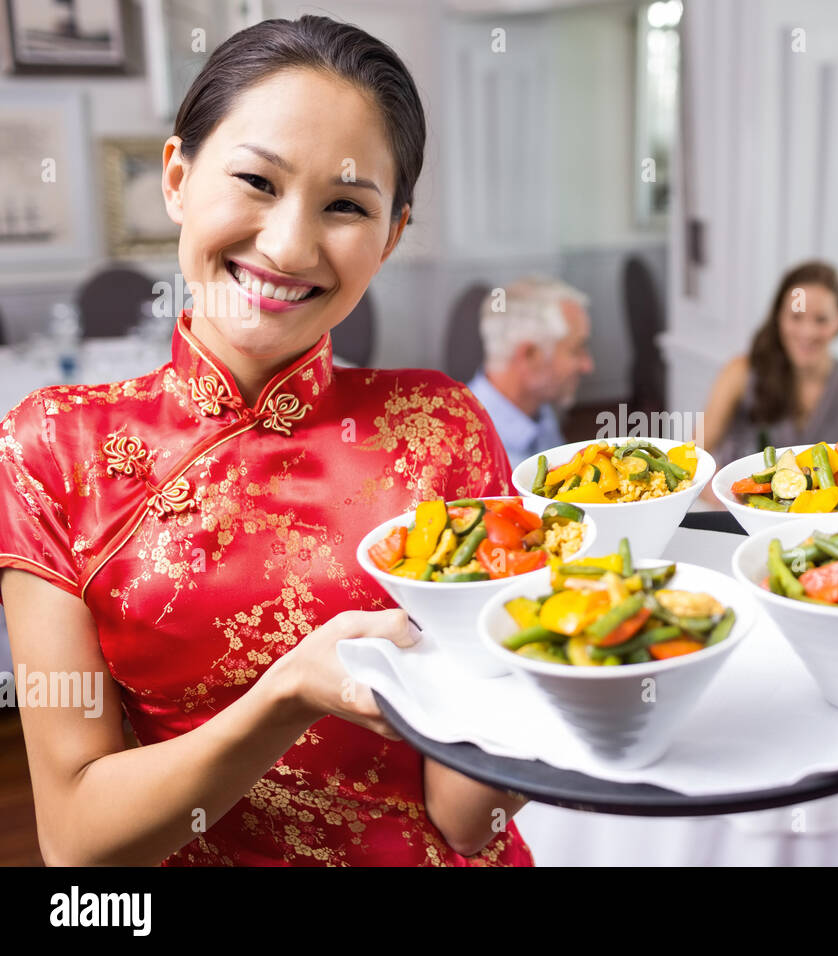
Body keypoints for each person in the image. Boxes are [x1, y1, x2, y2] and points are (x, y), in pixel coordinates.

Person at [0, 16, 533, 866]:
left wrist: (542, 670)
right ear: (177, 177)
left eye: (347, 206)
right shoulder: (51, 450)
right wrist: (288, 693)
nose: (288, 245)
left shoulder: (443, 429)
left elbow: (469, 819)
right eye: (257, 181)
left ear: (391, 235)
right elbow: (76, 843)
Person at [699, 260, 838, 470]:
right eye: (796, 317)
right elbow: (697, 460)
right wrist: (727, 495)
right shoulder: (739, 373)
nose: (807, 332)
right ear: (779, 317)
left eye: (821, 319)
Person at [466, 276, 593, 468]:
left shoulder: (537, 407)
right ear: (530, 356)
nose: (588, 365)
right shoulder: (477, 461)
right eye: (576, 349)